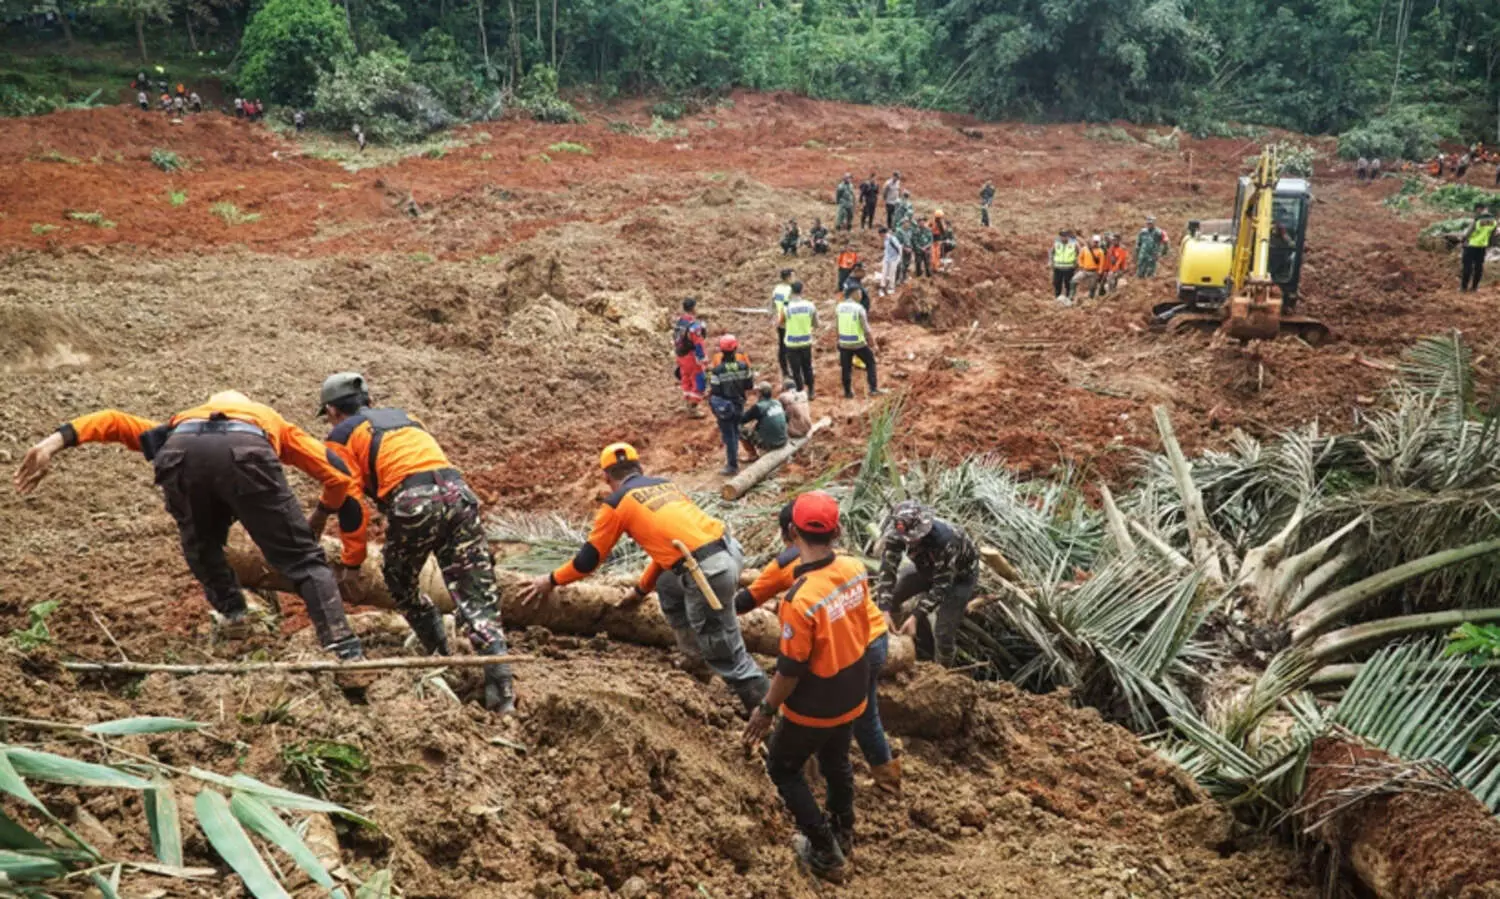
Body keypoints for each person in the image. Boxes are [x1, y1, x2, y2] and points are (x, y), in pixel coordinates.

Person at [13, 391, 366, 663]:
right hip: (247, 451)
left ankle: (235, 619)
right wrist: (324, 519)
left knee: (202, 546)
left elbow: (112, 420)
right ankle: (342, 647)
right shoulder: (272, 423)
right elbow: (338, 475)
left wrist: (51, 443)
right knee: (304, 561)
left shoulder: (180, 423)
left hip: (181, 451)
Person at [313, 373, 515, 713]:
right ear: (369, 402)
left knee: (399, 578)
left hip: (414, 500)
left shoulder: (339, 436)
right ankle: (501, 687)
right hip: (460, 496)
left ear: (332, 411)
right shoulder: (407, 418)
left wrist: (352, 560)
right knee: (477, 594)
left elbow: (349, 503)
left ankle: (438, 651)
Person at [523, 444, 770, 713]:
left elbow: (588, 561)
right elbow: (670, 553)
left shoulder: (617, 503)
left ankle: (767, 714)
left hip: (707, 573)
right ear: (640, 468)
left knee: (726, 651)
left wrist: (550, 580)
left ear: (607, 478)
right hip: (728, 552)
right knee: (668, 584)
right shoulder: (665, 486)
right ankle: (694, 659)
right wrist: (640, 591)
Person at [741, 491, 872, 883]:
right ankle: (843, 830)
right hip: (854, 687)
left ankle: (825, 853)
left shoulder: (799, 599)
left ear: (792, 531)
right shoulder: (855, 567)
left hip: (816, 702)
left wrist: (765, 710)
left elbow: (791, 669)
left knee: (782, 768)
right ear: (838, 530)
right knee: (836, 760)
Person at [734, 502, 900, 795]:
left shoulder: (786, 564)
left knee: (839, 709)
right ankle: (878, 775)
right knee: (861, 712)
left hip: (852, 645)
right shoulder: (843, 561)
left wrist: (717, 602)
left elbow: (746, 601)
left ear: (790, 533)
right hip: (873, 637)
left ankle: (869, 780)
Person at [874, 500, 980, 668]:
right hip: (924, 567)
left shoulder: (946, 540)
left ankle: (942, 672)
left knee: (944, 632)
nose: (910, 543)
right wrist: (884, 609)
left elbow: (942, 586)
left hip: (959, 577)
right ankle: (894, 641)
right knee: (892, 597)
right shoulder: (895, 532)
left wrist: (916, 615)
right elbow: (888, 570)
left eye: (914, 539)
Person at [706, 335, 753, 475]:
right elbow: (749, 385)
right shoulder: (744, 367)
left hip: (725, 407)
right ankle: (743, 455)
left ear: (721, 351)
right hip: (739, 403)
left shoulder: (717, 371)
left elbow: (715, 390)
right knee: (736, 430)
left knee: (729, 435)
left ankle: (732, 465)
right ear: (735, 349)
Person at [836, 287, 880, 399]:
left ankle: (847, 392)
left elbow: (837, 326)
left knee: (846, 368)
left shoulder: (839, 307)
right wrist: (873, 344)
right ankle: (873, 389)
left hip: (844, 343)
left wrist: (838, 341)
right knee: (870, 362)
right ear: (853, 294)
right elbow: (866, 329)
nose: (861, 296)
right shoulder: (859, 308)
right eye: (859, 293)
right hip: (858, 342)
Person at [779, 282, 817, 399]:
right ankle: (811, 391)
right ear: (802, 291)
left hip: (792, 343)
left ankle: (801, 391)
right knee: (807, 367)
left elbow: (781, 323)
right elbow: (816, 323)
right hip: (806, 341)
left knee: (796, 369)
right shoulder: (810, 305)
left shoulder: (786, 307)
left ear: (791, 292)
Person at [672, 297, 708, 415]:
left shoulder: (680, 321)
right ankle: (693, 408)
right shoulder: (694, 326)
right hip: (691, 357)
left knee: (686, 378)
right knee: (699, 380)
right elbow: (698, 343)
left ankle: (688, 403)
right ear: (693, 308)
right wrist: (702, 358)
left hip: (680, 355)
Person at [740, 383, 788, 462]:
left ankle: (752, 455)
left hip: (770, 444)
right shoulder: (777, 403)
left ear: (759, 393)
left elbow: (742, 420)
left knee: (738, 428)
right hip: (783, 440)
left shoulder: (758, 407)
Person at [1460, 205, 1497, 292]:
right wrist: (1489, 245)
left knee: (1467, 267)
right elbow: (1492, 235)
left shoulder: (1477, 220)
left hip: (1471, 246)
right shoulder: (1494, 221)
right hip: (1482, 247)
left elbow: (1468, 233)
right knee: (1479, 267)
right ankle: (1474, 288)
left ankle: (1463, 288)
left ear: (1479, 209)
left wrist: (1462, 240)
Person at [771, 269, 794, 379]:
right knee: (790, 346)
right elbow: (789, 306)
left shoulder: (777, 289)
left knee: (782, 345)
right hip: (788, 320)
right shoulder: (790, 290)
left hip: (779, 320)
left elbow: (773, 304)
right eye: (793, 276)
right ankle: (791, 369)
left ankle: (784, 370)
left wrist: (774, 316)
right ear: (788, 277)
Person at [1051, 229, 1079, 303]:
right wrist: (1051, 262)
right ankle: (1057, 298)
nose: (1063, 237)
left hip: (1069, 268)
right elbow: (1052, 253)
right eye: (1062, 236)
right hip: (1058, 268)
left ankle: (1068, 299)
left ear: (1068, 236)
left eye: (1065, 236)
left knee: (1068, 284)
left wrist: (1077, 263)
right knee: (1057, 283)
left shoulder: (1074, 244)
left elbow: (1079, 253)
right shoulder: (1056, 244)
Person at [1074, 235, 1103, 299]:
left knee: (1093, 287)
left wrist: (1099, 272)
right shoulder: (1085, 249)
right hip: (1085, 270)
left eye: (1097, 242)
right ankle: (1072, 296)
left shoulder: (1100, 251)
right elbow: (1080, 258)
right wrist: (1081, 266)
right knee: (1074, 281)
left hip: (1094, 272)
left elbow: (1101, 263)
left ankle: (1091, 299)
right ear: (1092, 241)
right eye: (1094, 242)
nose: (1095, 243)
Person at [879, 226, 902, 298]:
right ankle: (882, 287)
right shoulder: (885, 239)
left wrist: (899, 259)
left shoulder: (892, 239)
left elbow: (899, 248)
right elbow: (886, 250)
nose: (880, 236)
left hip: (894, 259)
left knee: (892, 273)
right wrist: (884, 259)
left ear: (883, 233)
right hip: (887, 259)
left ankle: (891, 287)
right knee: (884, 273)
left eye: (880, 234)